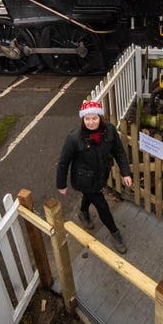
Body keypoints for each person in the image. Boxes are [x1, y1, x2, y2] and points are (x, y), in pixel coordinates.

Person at [56, 100, 133, 254]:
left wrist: (125, 172)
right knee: (102, 206)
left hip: (101, 175)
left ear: (100, 117)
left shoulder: (110, 130)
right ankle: (115, 233)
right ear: (83, 119)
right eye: (87, 119)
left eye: (94, 118)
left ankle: (83, 212)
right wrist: (61, 184)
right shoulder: (74, 137)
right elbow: (64, 162)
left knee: (89, 196)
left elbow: (119, 152)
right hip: (83, 179)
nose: (91, 122)